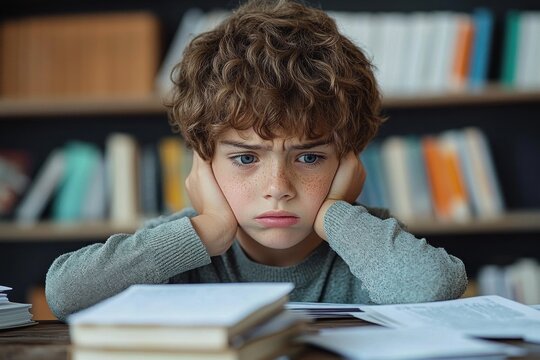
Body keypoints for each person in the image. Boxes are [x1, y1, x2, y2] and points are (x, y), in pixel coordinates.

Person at [45, 0, 467, 321]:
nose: (278, 187)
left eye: (310, 156)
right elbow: (67, 295)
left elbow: (432, 286)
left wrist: (336, 213)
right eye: (246, 157)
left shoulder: (368, 245)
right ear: (204, 162)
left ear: (348, 162)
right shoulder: (181, 243)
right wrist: (209, 228)